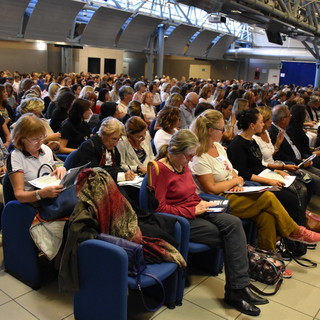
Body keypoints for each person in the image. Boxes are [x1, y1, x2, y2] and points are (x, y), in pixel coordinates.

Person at [151, 129, 269, 316]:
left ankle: (239, 288)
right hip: (182, 219)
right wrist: (191, 209)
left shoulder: (182, 164)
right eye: (188, 156)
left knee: (234, 223)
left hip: (197, 209)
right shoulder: (160, 169)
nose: (190, 160)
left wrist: (201, 202)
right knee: (233, 238)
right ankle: (238, 290)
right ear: (174, 150)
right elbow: (158, 210)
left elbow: (189, 193)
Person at [189, 109, 318, 252]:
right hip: (215, 199)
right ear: (209, 131)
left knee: (266, 215)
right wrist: (235, 181)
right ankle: (294, 230)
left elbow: (231, 170)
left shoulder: (218, 146)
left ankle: (268, 258)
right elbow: (211, 188)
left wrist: (236, 182)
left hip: (232, 190)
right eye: (221, 129)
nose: (225, 132)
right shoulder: (199, 156)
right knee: (268, 196)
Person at [227, 108, 310, 226]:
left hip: (264, 175)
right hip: (254, 183)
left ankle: (299, 226)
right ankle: (292, 230)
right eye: (260, 122)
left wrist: (277, 171)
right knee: (292, 199)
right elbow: (243, 173)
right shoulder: (238, 145)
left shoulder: (251, 140)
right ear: (252, 125)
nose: (263, 124)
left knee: (297, 190)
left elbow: (259, 164)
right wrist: (269, 180)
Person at [7, 113, 66, 203]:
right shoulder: (16, 156)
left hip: (50, 199)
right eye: (34, 139)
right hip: (32, 202)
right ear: (21, 138)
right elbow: (19, 195)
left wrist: (60, 170)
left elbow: (53, 175)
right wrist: (41, 194)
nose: (40, 142)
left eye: (42, 137)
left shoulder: (46, 149)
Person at [268, 104, 320, 195]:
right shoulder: (272, 133)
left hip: (300, 160)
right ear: (283, 119)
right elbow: (280, 155)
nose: (291, 117)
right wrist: (300, 161)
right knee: (316, 180)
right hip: (291, 164)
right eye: (289, 115)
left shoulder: (286, 128)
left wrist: (306, 158)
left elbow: (296, 147)